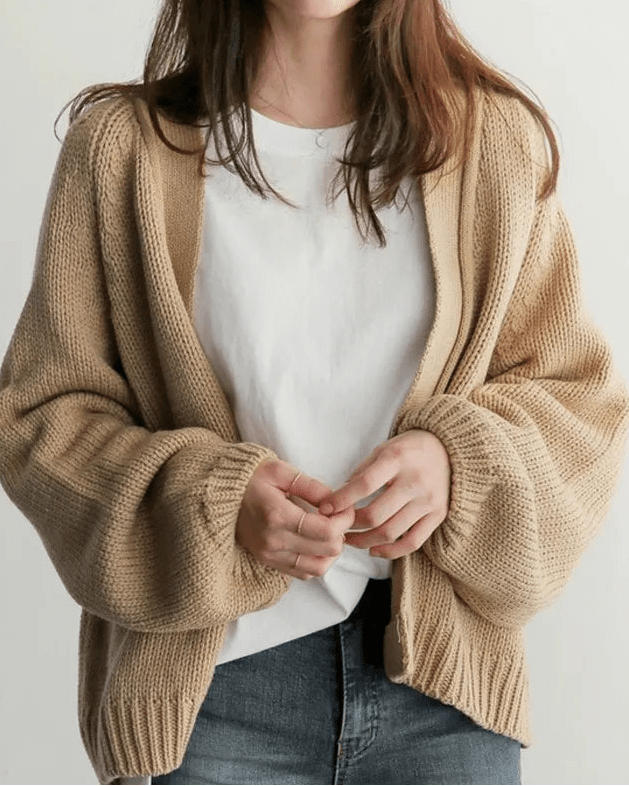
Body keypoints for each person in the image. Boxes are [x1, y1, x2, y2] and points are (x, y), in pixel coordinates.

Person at [0, 0, 627, 783]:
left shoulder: (489, 143)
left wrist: (456, 464)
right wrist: (214, 504)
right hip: (210, 700)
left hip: (441, 696)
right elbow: (41, 416)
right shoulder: (124, 150)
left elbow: (577, 398)